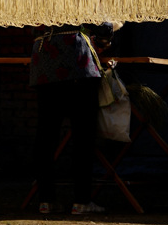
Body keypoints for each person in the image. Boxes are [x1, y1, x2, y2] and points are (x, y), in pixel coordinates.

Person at [30, 22, 115, 215]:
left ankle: (46, 200)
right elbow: (103, 26)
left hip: (44, 59)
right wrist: (105, 37)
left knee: (46, 134)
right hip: (75, 58)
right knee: (83, 134)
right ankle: (81, 201)